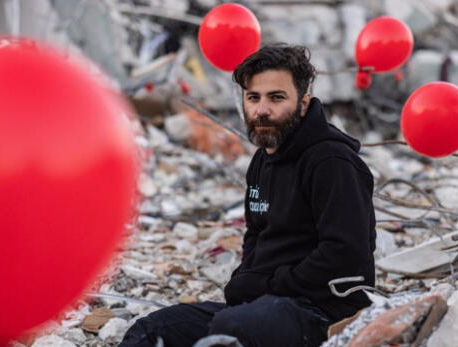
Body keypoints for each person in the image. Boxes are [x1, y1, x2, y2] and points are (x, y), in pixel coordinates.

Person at [120, 44, 376, 347]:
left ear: (304, 102)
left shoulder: (331, 162)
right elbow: (256, 233)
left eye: (276, 98)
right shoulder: (262, 160)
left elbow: (346, 254)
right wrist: (245, 281)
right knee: (154, 329)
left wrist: (268, 284)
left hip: (324, 315)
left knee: (232, 329)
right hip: (262, 306)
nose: (262, 109)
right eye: (253, 98)